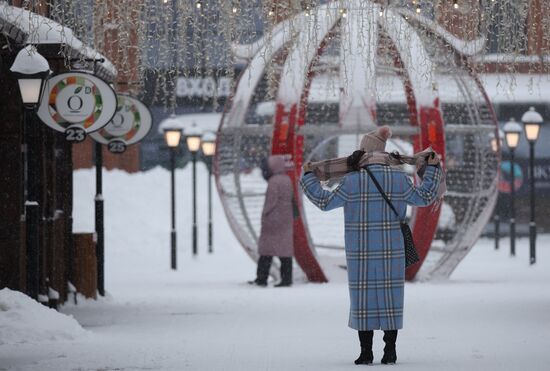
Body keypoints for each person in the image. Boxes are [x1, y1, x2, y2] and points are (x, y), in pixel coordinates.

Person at [300, 126, 443, 365]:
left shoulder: (351, 181)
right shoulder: (399, 178)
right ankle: (390, 350)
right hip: (392, 249)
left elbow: (324, 202)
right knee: (391, 296)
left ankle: (365, 352)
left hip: (360, 250)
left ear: (363, 153)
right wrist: (434, 169)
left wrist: (308, 177)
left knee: (362, 299)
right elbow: (425, 196)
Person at [249, 155, 294, 287]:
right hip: (286, 218)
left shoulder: (274, 181)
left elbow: (271, 201)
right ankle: (287, 278)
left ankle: (261, 278)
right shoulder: (287, 179)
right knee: (285, 251)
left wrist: (265, 214)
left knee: (266, 251)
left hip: (273, 219)